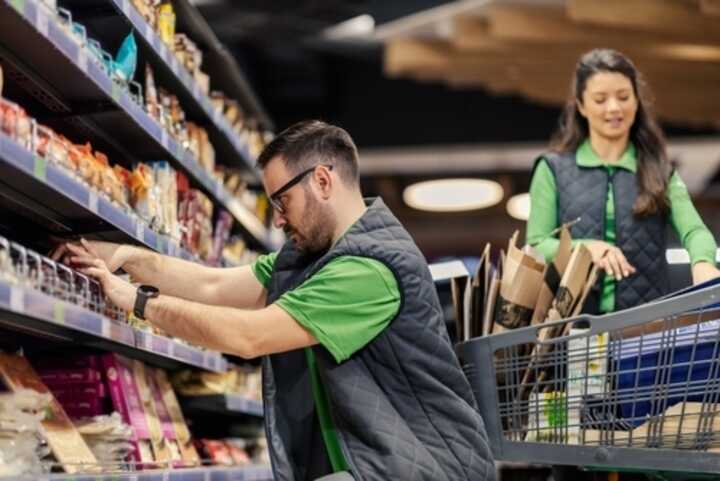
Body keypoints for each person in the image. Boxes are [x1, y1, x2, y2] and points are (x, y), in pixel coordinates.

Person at [53, 120, 494, 481]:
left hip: (428, 469)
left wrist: (138, 301)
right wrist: (127, 257)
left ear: (323, 180)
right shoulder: (311, 257)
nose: (278, 219)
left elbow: (248, 336)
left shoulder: (366, 270)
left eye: (283, 201)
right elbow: (213, 287)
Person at [527, 48, 720, 314]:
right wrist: (586, 249)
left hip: (645, 330)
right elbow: (537, 244)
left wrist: (703, 263)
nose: (614, 107)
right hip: (573, 329)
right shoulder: (552, 169)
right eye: (600, 99)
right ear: (581, 106)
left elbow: (695, 231)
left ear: (636, 101)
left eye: (623, 97)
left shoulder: (659, 170)